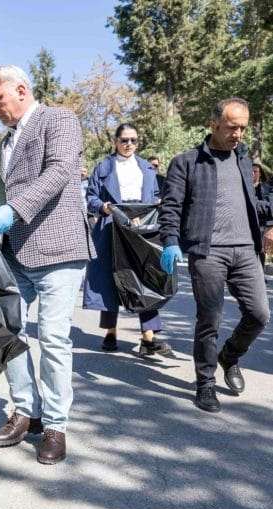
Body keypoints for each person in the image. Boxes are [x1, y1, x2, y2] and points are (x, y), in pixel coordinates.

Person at [0, 65, 94, 464]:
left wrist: (14, 209)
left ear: (21, 90)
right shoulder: (3, 145)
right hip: (15, 254)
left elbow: (59, 172)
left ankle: (55, 425)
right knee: (7, 332)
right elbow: (1, 194)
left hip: (59, 251)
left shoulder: (59, 120)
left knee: (53, 337)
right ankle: (26, 412)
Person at [159, 98, 272, 413]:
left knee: (259, 314)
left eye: (243, 128)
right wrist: (170, 241)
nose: (238, 134)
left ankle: (230, 356)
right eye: (232, 127)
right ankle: (205, 383)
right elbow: (171, 207)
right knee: (210, 319)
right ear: (214, 124)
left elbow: (252, 205)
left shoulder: (244, 160)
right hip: (208, 252)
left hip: (246, 250)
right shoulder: (187, 162)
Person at [84, 123, 174, 357]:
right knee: (112, 277)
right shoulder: (104, 167)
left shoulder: (146, 167)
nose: (129, 144)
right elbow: (91, 197)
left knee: (145, 276)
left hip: (140, 227)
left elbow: (155, 195)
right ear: (116, 141)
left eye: (133, 140)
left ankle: (148, 336)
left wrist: (154, 206)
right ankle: (110, 332)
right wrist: (103, 207)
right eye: (124, 140)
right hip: (111, 225)